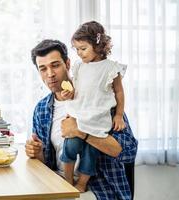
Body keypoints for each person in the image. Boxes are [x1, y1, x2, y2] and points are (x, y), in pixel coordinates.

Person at [25, 38, 138, 200]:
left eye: (55, 65)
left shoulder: (101, 99)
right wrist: (37, 153)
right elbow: (47, 163)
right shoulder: (41, 109)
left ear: (68, 64)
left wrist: (81, 132)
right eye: (43, 69)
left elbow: (129, 152)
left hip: (99, 189)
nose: (50, 74)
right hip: (58, 185)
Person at [59, 20, 129, 192]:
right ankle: (67, 181)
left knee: (91, 155)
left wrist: (119, 115)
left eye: (83, 48)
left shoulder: (111, 68)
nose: (79, 53)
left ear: (98, 45)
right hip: (78, 116)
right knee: (70, 147)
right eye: (77, 49)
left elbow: (119, 93)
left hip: (97, 120)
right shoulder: (78, 67)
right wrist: (68, 93)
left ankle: (82, 184)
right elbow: (77, 90)